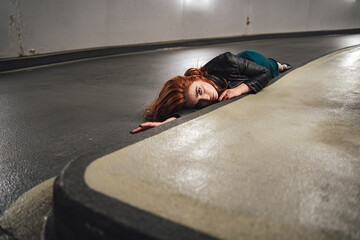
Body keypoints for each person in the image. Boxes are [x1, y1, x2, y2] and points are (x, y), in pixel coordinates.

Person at [131, 50, 292, 134]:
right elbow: (189, 109)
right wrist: (166, 123)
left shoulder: (226, 60)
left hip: (251, 61)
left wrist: (238, 89)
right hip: (239, 69)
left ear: (195, 78)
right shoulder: (197, 97)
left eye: (200, 90)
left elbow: (262, 73)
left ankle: (279, 64)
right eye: (200, 101)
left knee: (271, 68)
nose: (207, 97)